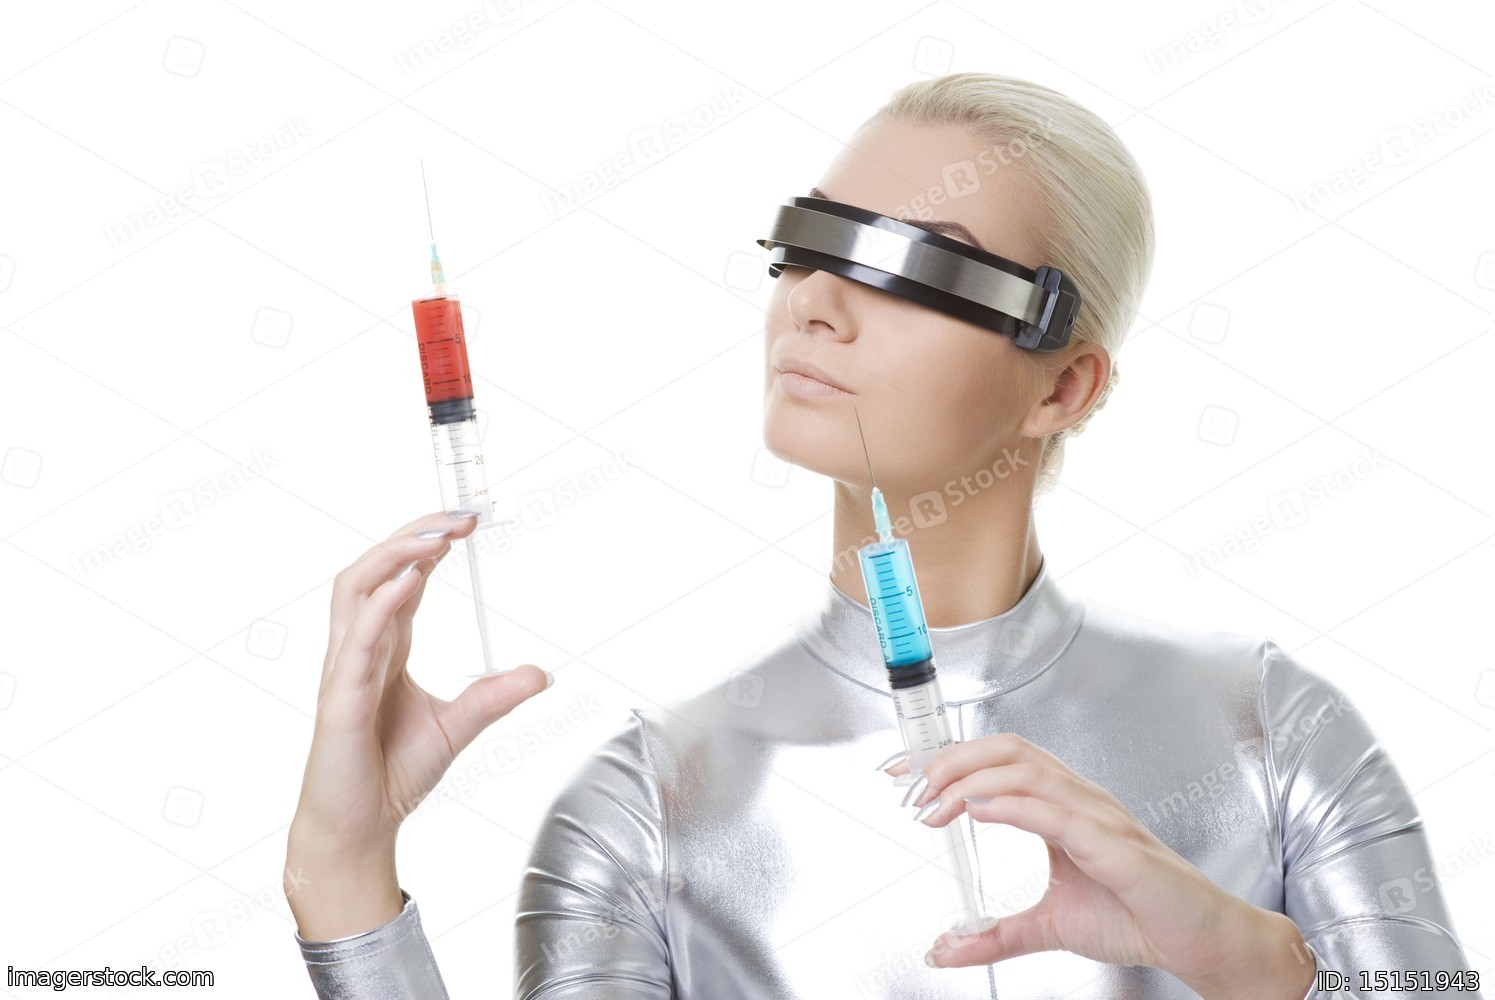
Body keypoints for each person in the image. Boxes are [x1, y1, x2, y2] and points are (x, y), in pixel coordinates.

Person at [285, 73, 1482, 998]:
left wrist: (1242, 954)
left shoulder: (1272, 731)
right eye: (807, 243)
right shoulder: (650, 798)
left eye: (912, 267)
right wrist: (342, 869)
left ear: (1062, 385)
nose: (814, 302)